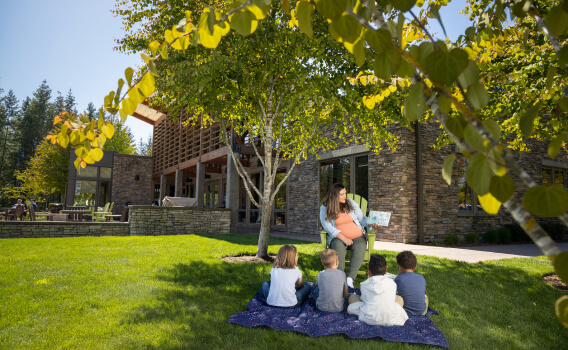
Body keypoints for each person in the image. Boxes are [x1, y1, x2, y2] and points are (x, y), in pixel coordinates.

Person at [320, 183, 379, 288]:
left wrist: (371, 223)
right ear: (334, 195)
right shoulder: (325, 207)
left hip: (358, 236)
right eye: (342, 194)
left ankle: (350, 279)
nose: (345, 196)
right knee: (337, 246)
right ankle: (340, 276)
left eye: (345, 193)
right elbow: (327, 226)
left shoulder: (350, 203)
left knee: (360, 246)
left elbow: (362, 218)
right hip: (338, 237)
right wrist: (343, 237)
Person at [347, 254, 408, 326]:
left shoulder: (364, 284)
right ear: (386, 271)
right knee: (399, 299)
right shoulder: (392, 283)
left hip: (368, 318)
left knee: (352, 298)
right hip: (390, 318)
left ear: (369, 272)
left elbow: (363, 300)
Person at [394, 250, 428, 316]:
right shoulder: (421, 278)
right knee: (425, 296)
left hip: (405, 313)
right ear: (415, 267)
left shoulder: (398, 279)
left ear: (400, 267)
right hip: (421, 312)